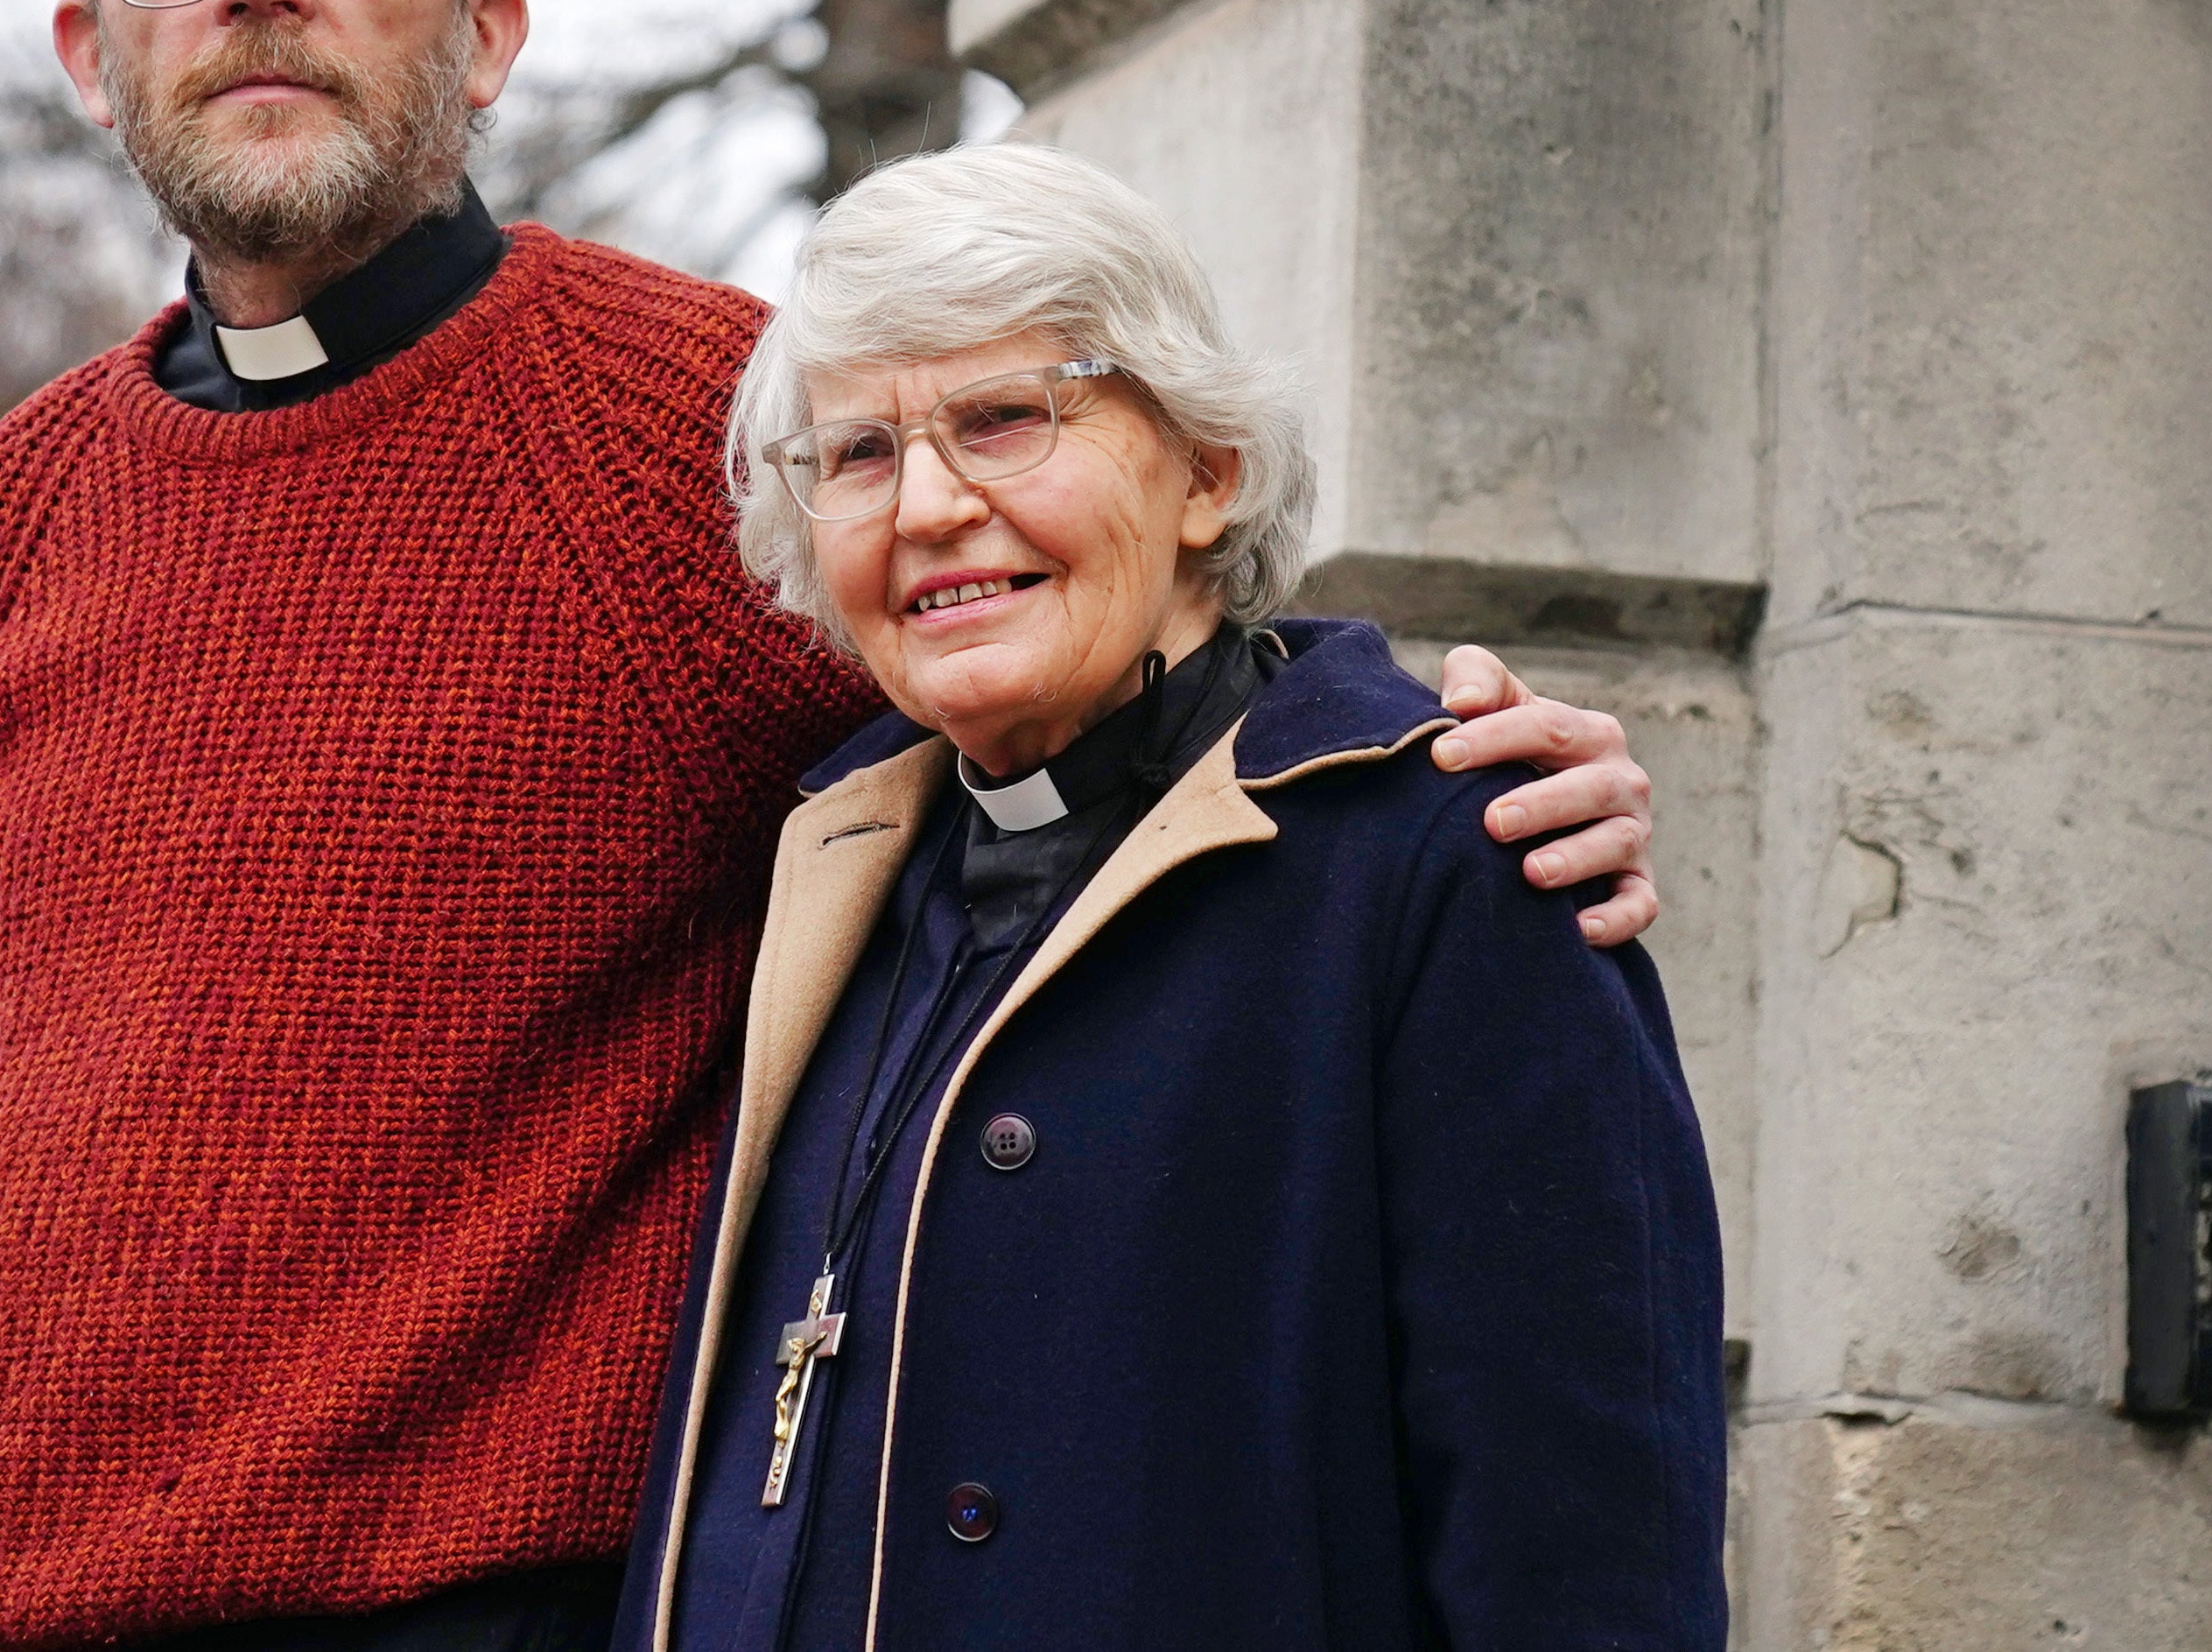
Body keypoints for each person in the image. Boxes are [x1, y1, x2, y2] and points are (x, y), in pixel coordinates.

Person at [0, 0, 1670, 1652]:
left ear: (488, 31)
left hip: (456, 1598)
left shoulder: (682, 424)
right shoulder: (26, 495)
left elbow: (1046, 652)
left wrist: (1425, 757)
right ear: (93, 46)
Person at [614, 144, 1724, 1652]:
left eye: (1006, 419)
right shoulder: (827, 872)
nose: (928, 506)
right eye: (859, 456)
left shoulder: (1452, 861)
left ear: (1208, 472)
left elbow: (1588, 1570)